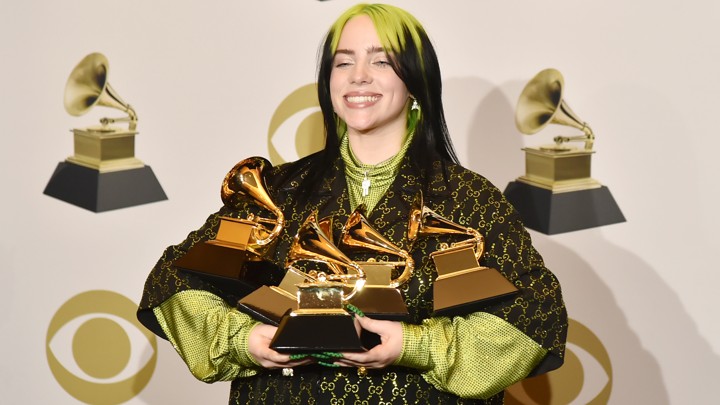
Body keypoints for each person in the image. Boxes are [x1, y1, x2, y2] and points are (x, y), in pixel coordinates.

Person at [137, 3, 567, 404]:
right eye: (343, 62)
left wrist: (412, 345)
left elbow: (534, 318)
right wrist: (244, 340)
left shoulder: (469, 199)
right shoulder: (275, 191)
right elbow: (173, 282)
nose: (358, 76)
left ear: (416, 82)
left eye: (381, 61)